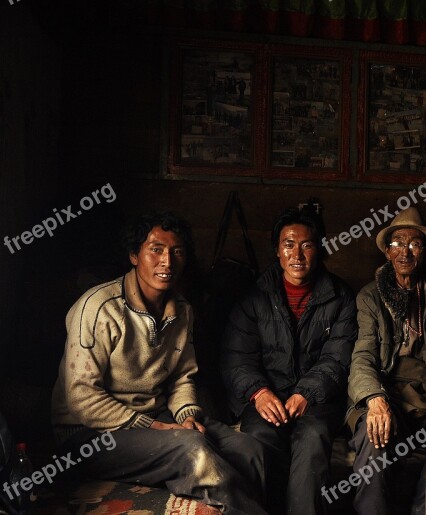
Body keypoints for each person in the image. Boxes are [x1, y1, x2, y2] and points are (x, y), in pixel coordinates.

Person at [51, 212, 267, 514]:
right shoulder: (99, 307)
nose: (167, 261)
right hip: (88, 435)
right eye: (155, 249)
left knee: (249, 449)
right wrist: (157, 426)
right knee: (191, 449)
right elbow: (81, 397)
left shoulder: (182, 310)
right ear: (134, 255)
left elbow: (182, 378)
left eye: (176, 251)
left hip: (155, 417)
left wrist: (186, 415)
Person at [220, 207, 357, 514]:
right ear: (277, 252)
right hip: (268, 396)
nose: (298, 254)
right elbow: (236, 357)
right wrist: (259, 393)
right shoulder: (254, 297)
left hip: (318, 400)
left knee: (312, 440)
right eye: (288, 244)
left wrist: (307, 392)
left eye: (307, 245)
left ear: (319, 249)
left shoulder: (341, 297)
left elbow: (339, 356)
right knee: (260, 439)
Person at [347, 207, 426, 515]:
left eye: (414, 243)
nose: (404, 251)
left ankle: (424, 511)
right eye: (397, 243)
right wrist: (374, 399)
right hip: (387, 391)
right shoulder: (370, 297)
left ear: (425, 251)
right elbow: (363, 354)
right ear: (386, 252)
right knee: (374, 438)